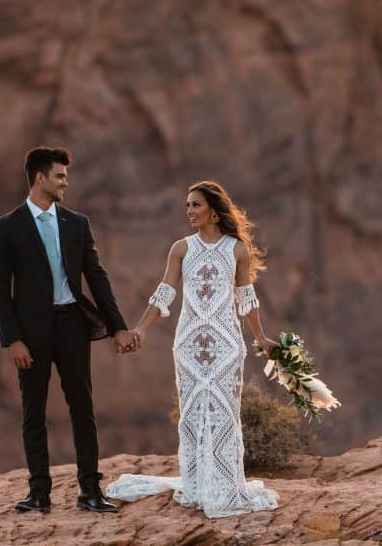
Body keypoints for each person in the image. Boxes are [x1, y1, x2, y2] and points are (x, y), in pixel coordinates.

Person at [105, 180, 281, 518]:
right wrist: (141, 328)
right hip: (189, 345)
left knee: (225, 413)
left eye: (195, 205)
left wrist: (261, 338)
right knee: (193, 412)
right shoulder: (181, 248)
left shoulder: (237, 250)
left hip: (227, 345)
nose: (189, 211)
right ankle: (198, 483)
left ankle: (225, 485)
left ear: (214, 211)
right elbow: (165, 292)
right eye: (187, 205)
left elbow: (246, 299)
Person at [0, 146, 138, 515]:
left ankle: (90, 490)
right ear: (40, 177)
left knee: (82, 407)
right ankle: (39, 492)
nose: (65, 183)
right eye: (59, 176)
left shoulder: (77, 223)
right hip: (31, 334)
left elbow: (97, 277)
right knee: (33, 411)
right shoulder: (7, 226)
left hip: (73, 324)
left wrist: (118, 327)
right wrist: (13, 340)